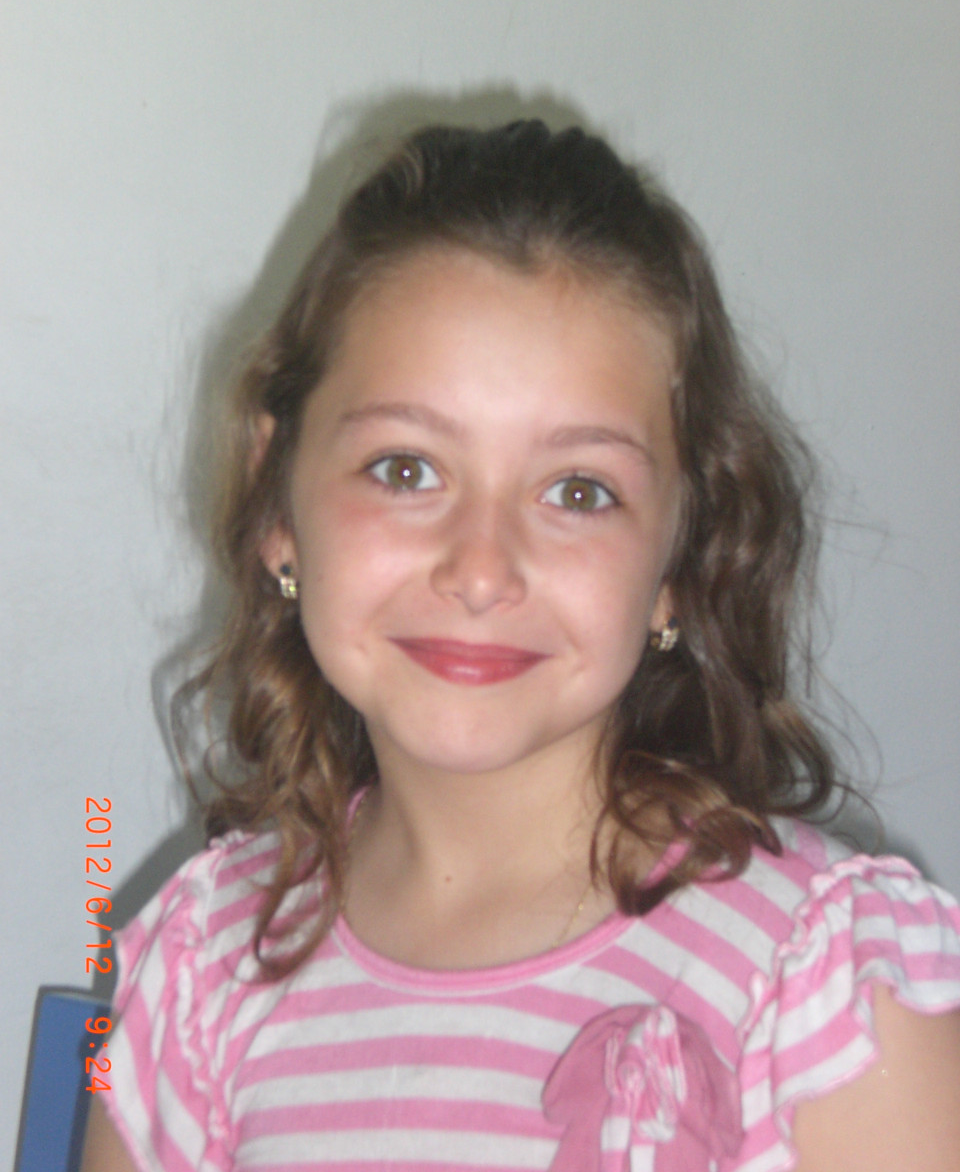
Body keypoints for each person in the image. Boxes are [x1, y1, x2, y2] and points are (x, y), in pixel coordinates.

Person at [82, 121, 960, 1172]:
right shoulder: (194, 976)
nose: (481, 567)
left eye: (578, 491)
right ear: (278, 499)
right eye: (405, 469)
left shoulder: (827, 993)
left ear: (681, 557)